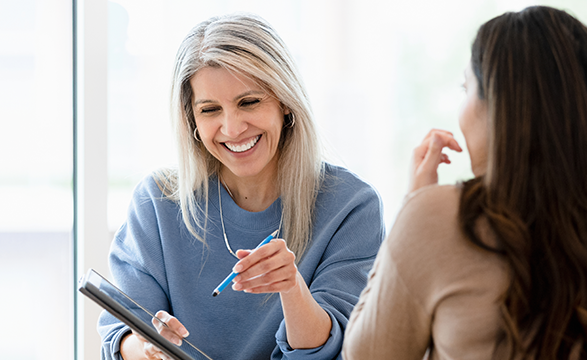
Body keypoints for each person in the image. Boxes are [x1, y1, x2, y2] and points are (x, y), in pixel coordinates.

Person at [343, 6, 587, 360]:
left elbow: (366, 354)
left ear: (499, 105)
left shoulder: (435, 216)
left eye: (466, 87)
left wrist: (414, 204)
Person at [98, 13, 385, 360]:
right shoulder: (157, 202)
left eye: (249, 102)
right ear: (192, 120)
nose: (232, 129)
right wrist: (145, 347)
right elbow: (120, 332)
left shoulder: (351, 207)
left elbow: (336, 350)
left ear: (285, 103)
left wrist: (291, 287)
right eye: (210, 110)